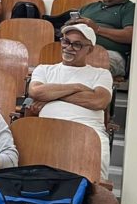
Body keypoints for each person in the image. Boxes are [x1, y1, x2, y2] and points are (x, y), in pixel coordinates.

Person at [28, 24, 113, 180]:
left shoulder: (101, 74)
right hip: (48, 129)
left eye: (77, 44)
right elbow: (35, 92)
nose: (68, 48)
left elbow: (99, 101)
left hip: (89, 132)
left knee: (96, 171)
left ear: (89, 49)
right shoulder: (44, 69)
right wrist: (78, 87)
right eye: (66, 41)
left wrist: (52, 95)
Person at [74, 0, 134, 77]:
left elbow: (129, 35)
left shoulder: (128, 8)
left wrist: (97, 29)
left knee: (89, 72)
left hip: (109, 53)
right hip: (79, 49)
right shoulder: (89, 7)